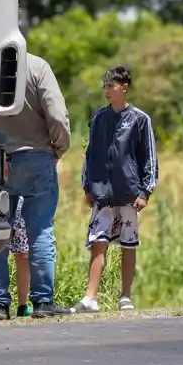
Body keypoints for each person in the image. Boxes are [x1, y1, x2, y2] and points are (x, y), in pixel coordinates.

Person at [0, 10, 74, 320]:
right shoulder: (38, 67)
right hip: (36, 157)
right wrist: (58, 149)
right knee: (40, 231)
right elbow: (58, 117)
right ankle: (43, 302)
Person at [74, 65, 158, 313]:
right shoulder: (98, 118)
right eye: (105, 86)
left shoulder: (140, 120)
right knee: (98, 242)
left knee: (128, 243)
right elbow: (90, 154)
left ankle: (125, 296)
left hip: (129, 192)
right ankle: (91, 297)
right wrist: (87, 186)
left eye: (111, 86)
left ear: (124, 88)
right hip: (102, 192)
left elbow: (149, 158)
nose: (107, 91)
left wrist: (145, 191)